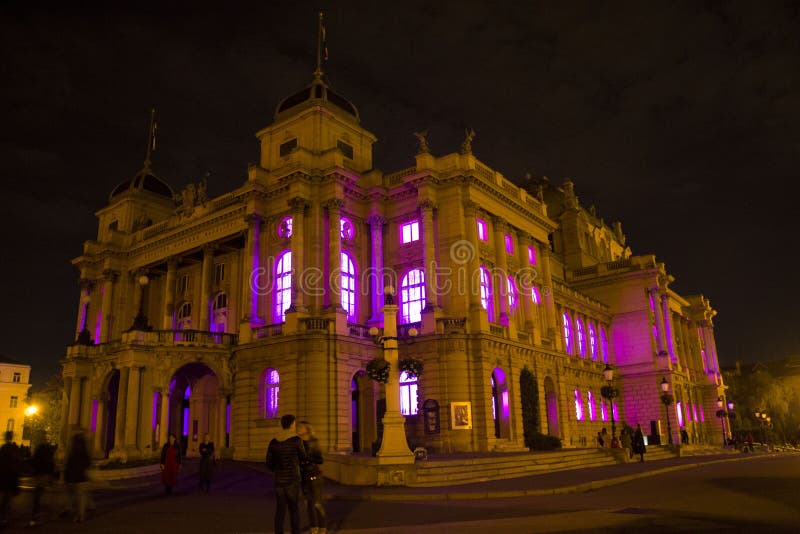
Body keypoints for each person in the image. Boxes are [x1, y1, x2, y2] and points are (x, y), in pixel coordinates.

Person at [266, 414, 308, 534]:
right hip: (292, 480)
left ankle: (278, 532)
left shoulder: (274, 441)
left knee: (280, 509)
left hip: (279, 480)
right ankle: (295, 532)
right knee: (293, 509)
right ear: (291, 424)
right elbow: (303, 458)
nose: (295, 426)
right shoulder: (296, 440)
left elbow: (269, 462)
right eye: (294, 424)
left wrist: (277, 469)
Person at [297, 421, 327, 534]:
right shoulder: (298, 443)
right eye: (297, 426)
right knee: (308, 504)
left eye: (300, 427)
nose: (298, 428)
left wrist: (307, 457)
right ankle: (313, 528)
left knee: (317, 504)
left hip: (314, 477)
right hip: (303, 477)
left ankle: (322, 528)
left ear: (307, 429)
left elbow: (320, 460)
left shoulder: (313, 443)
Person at [64, 433, 91, 523]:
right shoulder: (84, 451)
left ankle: (70, 508)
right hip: (81, 477)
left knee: (73, 496)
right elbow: (87, 463)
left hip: (73, 477)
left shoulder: (72, 452)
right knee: (81, 497)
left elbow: (68, 464)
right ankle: (81, 515)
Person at [29, 442, 57, 526]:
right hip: (46, 477)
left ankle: (35, 514)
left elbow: (32, 463)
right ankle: (48, 513)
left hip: (38, 476)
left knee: (37, 496)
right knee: (47, 496)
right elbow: (51, 466)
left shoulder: (37, 456)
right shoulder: (48, 456)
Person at [0, 431, 21, 525]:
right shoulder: (14, 448)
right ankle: (4, 516)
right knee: (7, 496)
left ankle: (4, 515)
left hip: (4, 474)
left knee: (5, 495)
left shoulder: (4, 447)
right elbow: (17, 461)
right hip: (10, 474)